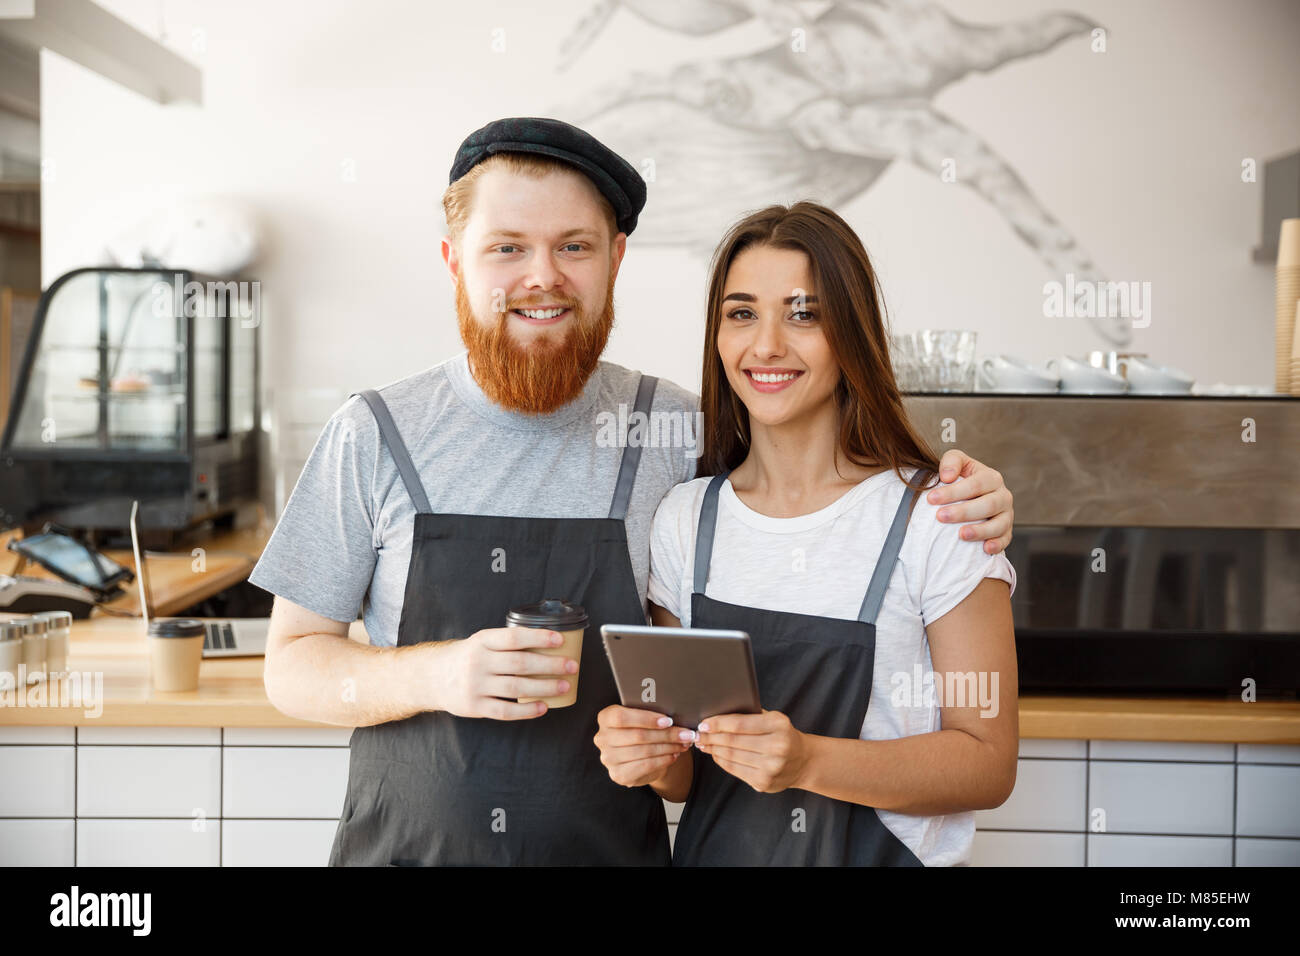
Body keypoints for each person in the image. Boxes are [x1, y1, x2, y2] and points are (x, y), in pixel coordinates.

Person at [249, 117, 1016, 866]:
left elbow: (814, 478)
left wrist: (968, 491)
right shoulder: (374, 433)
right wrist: (438, 673)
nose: (542, 276)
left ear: (615, 259)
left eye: (573, 247)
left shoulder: (680, 432)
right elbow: (290, 667)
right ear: (456, 260)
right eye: (507, 247)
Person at [593, 201, 1018, 866]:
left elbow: (987, 765)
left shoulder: (939, 517)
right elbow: (685, 773)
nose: (766, 345)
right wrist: (644, 755)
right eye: (741, 313)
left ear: (850, 333)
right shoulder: (685, 520)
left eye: (803, 314)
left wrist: (808, 761)